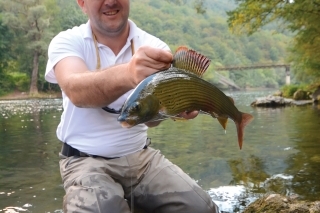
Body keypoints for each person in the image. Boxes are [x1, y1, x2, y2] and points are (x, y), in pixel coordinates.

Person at [45, 0, 220, 212]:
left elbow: (153, 121)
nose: (110, 2)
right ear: (82, 3)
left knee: (201, 208)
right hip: (85, 161)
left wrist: (174, 109)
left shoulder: (155, 47)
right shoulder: (67, 41)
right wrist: (128, 73)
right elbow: (76, 91)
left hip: (142, 159)